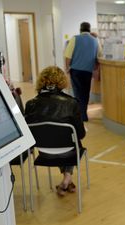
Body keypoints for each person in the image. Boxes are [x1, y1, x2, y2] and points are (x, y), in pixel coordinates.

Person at [24, 66, 86, 196]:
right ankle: (67, 180)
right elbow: (81, 134)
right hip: (68, 153)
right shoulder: (71, 103)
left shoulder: (30, 104)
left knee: (56, 138)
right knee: (70, 141)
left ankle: (67, 180)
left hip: (44, 153)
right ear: (62, 82)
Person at [64, 22, 102, 121]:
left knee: (77, 92)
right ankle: (83, 114)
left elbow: (68, 56)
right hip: (88, 71)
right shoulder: (95, 41)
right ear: (89, 30)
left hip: (76, 70)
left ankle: (80, 115)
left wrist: (67, 68)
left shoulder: (75, 39)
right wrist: (95, 67)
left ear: (80, 29)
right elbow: (99, 56)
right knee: (85, 92)